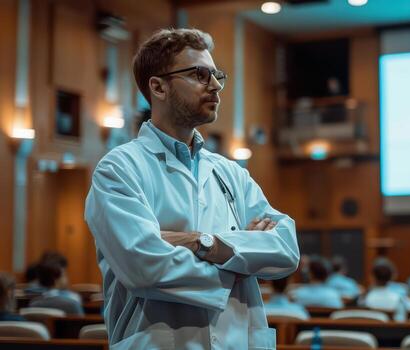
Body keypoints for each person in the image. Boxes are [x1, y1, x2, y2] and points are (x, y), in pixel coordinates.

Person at [84, 28, 299, 350]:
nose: (214, 86)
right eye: (199, 74)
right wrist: (242, 264)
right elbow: (146, 269)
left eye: (216, 76)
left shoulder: (230, 172)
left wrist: (202, 242)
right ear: (158, 86)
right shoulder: (119, 169)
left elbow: (285, 250)